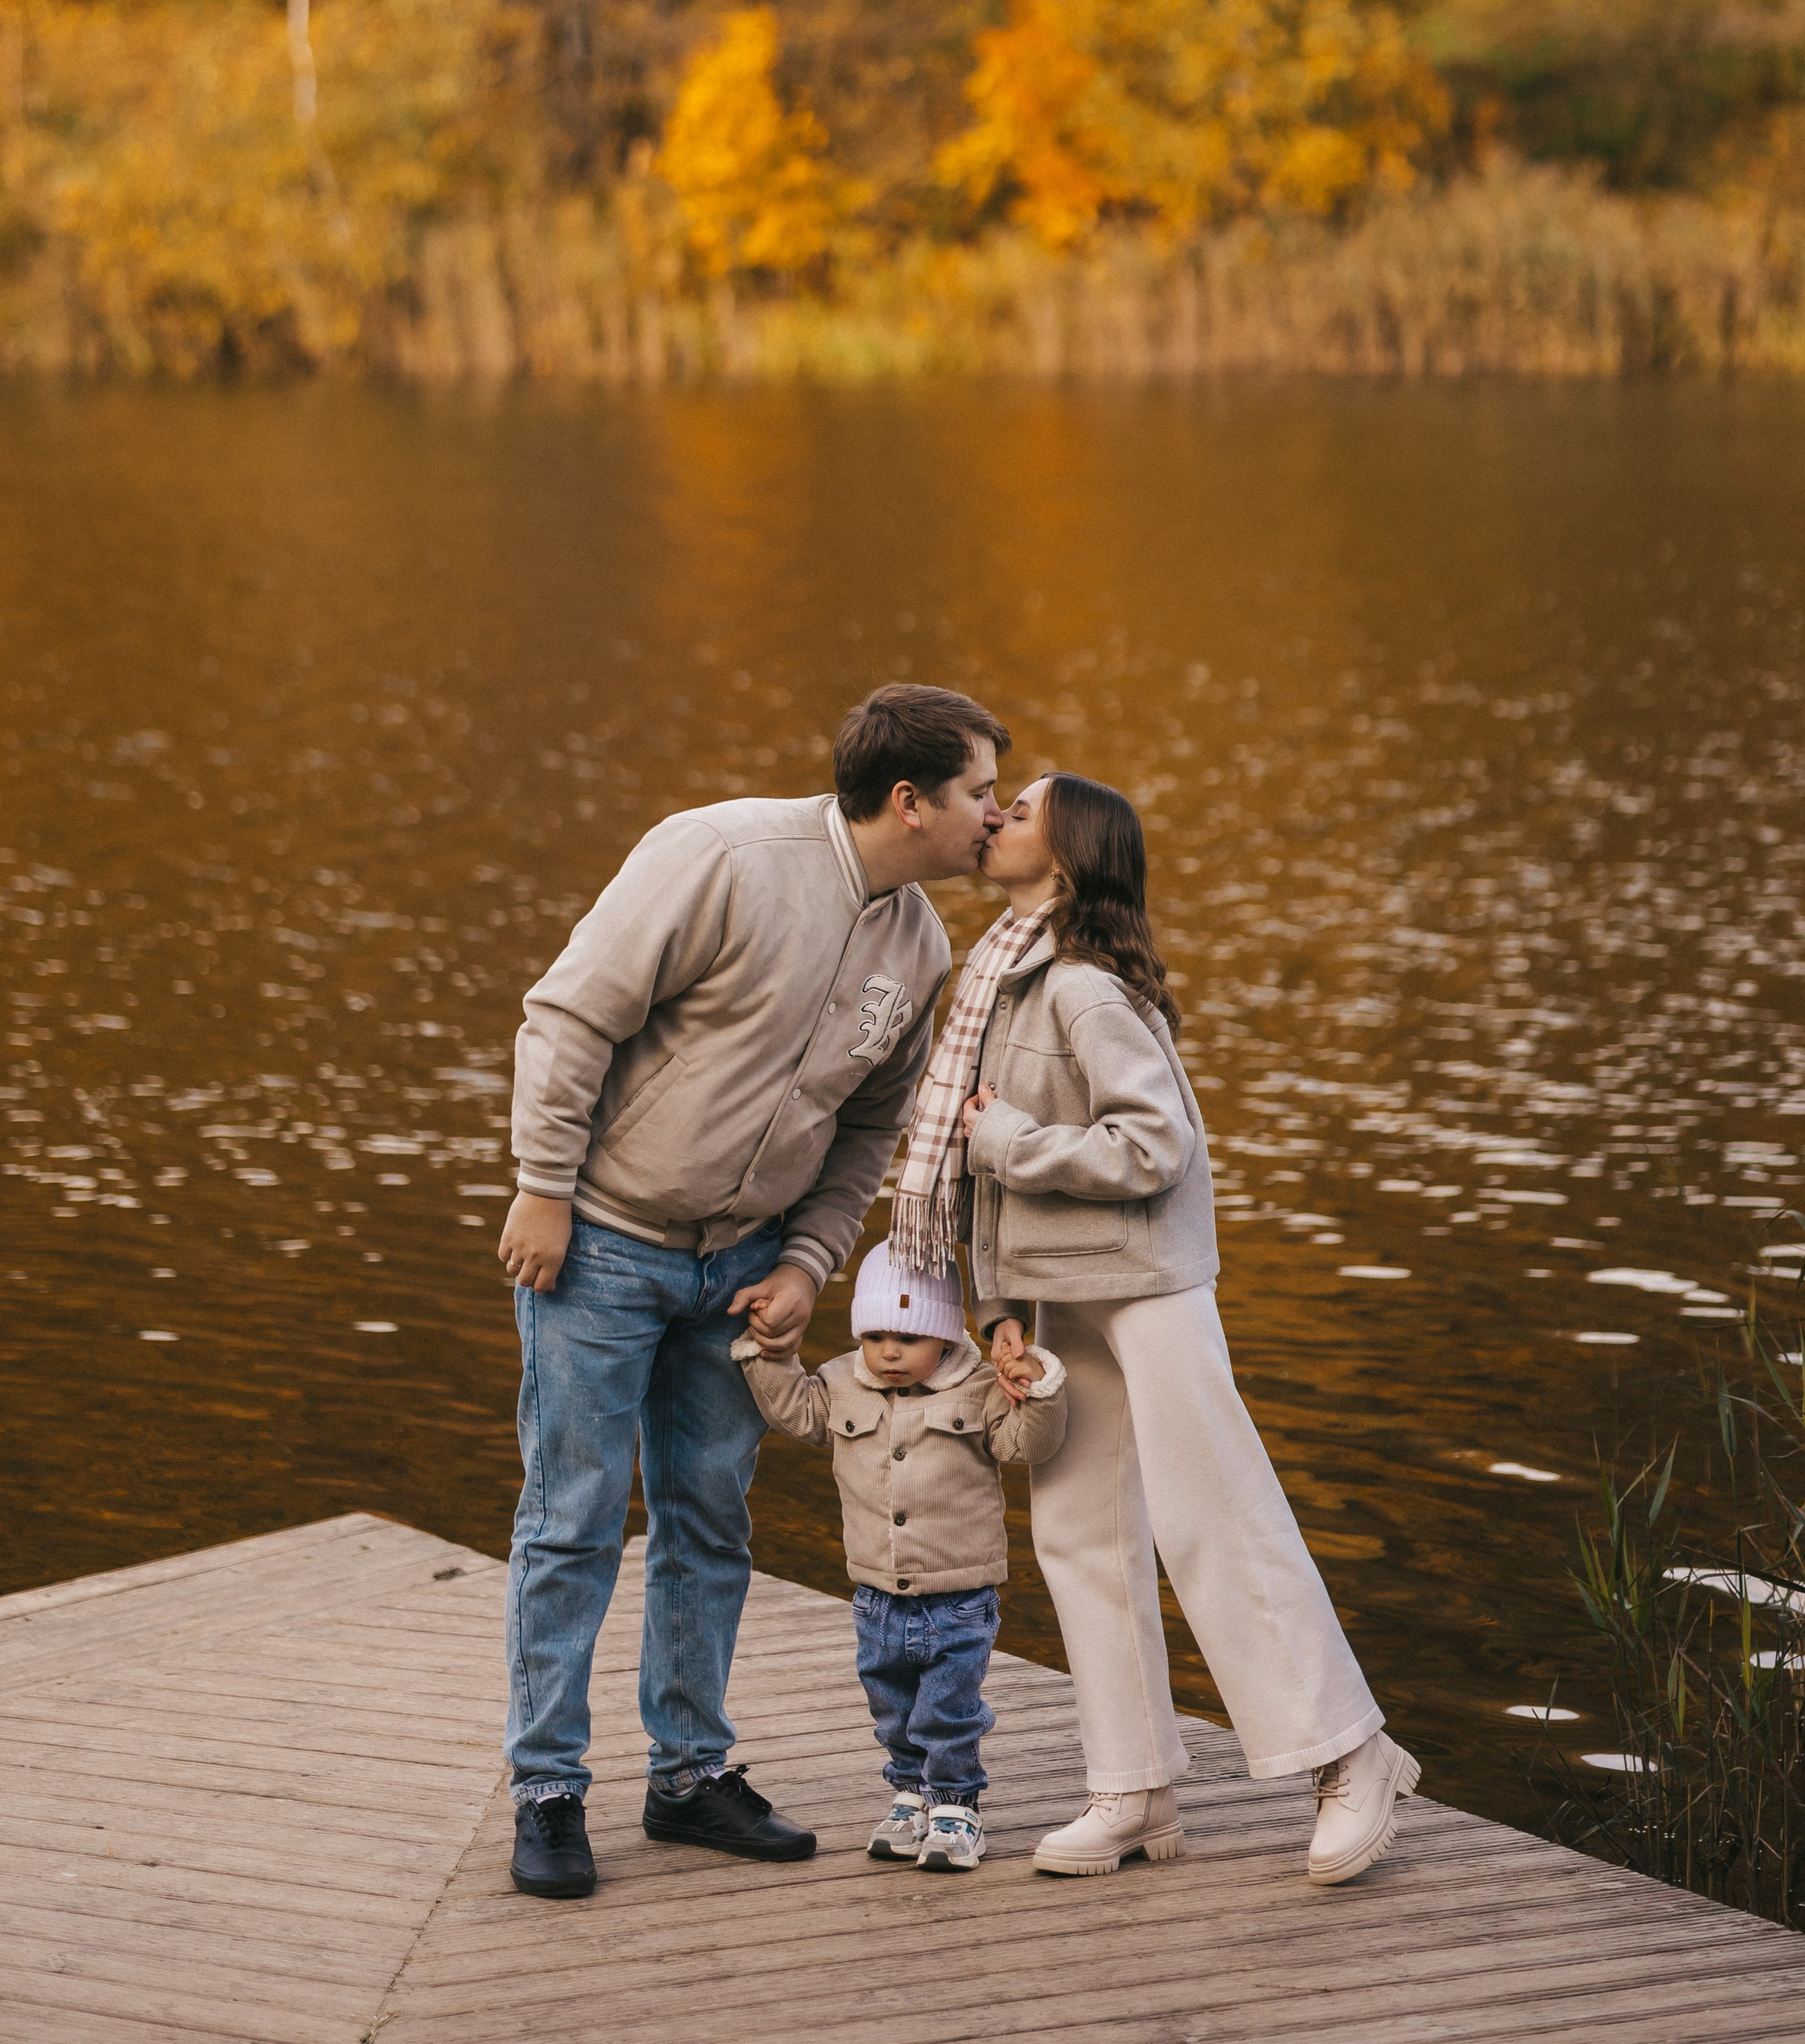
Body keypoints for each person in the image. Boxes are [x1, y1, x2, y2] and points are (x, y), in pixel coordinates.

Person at [496, 682, 1008, 1901]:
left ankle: (687, 1777)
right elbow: (569, 1017)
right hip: (601, 1246)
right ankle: (547, 1789)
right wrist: (543, 1188)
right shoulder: (719, 855)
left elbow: (869, 1130)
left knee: (709, 1520)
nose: (994, 816)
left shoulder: (919, 943)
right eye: (981, 793)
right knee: (571, 1521)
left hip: (742, 1274)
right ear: (910, 801)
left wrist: (805, 1261)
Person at [915, 769, 1417, 1888]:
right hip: (1059, 1292)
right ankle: (1133, 1787)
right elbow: (977, 1169)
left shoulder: (1084, 989)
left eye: (1021, 812)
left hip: (1144, 1282)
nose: (994, 819)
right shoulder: (1002, 979)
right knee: (1080, 1534)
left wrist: (1009, 1145)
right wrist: (998, 1312)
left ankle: (1352, 1750)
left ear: (1068, 859)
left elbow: (1152, 1147)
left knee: (1213, 1515)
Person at [735, 1239, 1068, 1871]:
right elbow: (796, 1413)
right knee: (891, 1705)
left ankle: (956, 1806)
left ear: (944, 1335)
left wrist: (1040, 1388)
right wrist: (766, 1353)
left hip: (959, 1594)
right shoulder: (839, 1382)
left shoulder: (980, 1387)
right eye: (876, 1336)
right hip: (876, 1593)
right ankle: (910, 1793)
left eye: (909, 1337)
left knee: (948, 1709)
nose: (889, 1352)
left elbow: (1027, 1446)